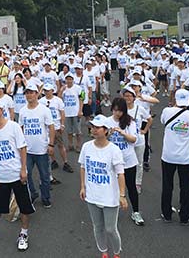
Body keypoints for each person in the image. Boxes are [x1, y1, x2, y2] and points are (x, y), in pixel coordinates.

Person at [0, 100, 34, 251]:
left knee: (24, 206)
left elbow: (22, 148)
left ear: (1, 110)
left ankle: (23, 234)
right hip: (1, 176)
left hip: (17, 174)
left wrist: (23, 170)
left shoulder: (13, 127)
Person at [79, 115, 128, 258]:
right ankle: (104, 252)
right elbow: (83, 167)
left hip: (109, 197)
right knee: (98, 227)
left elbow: (120, 174)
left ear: (106, 130)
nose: (94, 130)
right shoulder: (86, 147)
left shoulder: (114, 150)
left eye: (98, 127)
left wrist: (122, 195)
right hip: (92, 195)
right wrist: (83, 187)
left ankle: (117, 253)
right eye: (92, 127)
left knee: (110, 229)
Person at [160, 89, 189, 225]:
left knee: (167, 186)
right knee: (185, 187)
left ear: (175, 99)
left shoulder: (166, 111)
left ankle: (166, 214)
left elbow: (162, 121)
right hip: (186, 157)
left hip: (168, 155)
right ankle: (185, 217)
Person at [107, 96, 144, 226]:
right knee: (112, 187)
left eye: (120, 111)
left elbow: (134, 139)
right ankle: (112, 211)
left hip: (128, 160)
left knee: (131, 187)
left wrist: (123, 133)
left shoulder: (130, 122)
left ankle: (136, 212)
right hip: (112, 161)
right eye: (115, 110)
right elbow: (100, 138)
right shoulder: (107, 121)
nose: (117, 113)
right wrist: (109, 134)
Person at [18, 83, 55, 208]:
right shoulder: (22, 111)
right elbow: (21, 128)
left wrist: (51, 144)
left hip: (42, 150)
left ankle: (45, 197)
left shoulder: (44, 110)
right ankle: (33, 193)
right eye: (27, 93)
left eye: (31, 92)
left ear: (37, 94)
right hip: (27, 150)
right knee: (26, 174)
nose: (29, 95)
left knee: (44, 176)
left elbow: (51, 127)